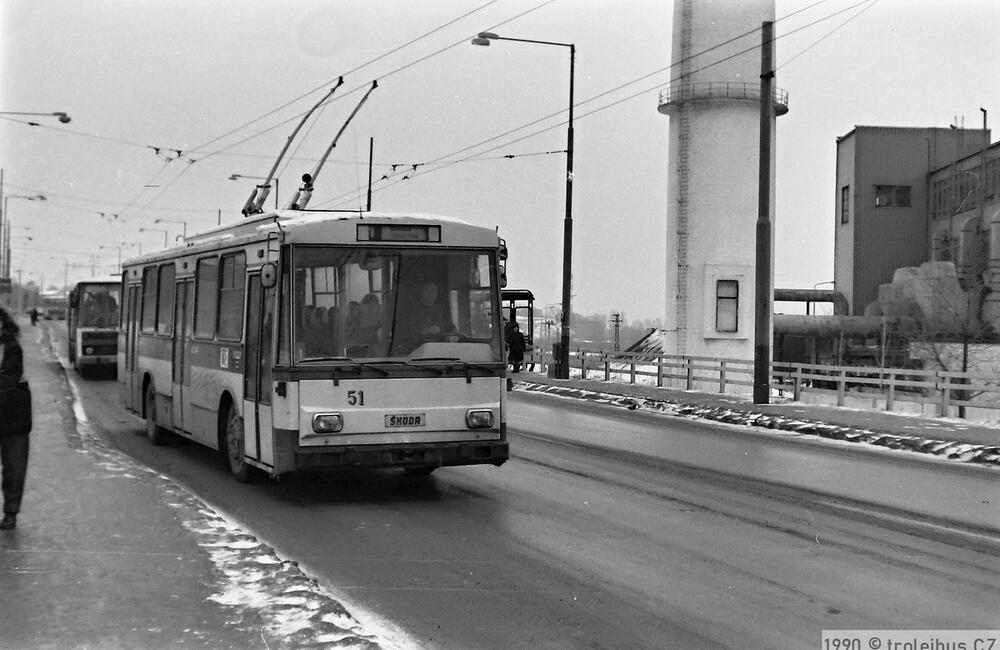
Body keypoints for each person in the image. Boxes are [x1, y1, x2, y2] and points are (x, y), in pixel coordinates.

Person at [0, 308, 31, 530]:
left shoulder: (11, 348)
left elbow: (7, 382)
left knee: (13, 468)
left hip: (14, 420)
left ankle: (10, 513)